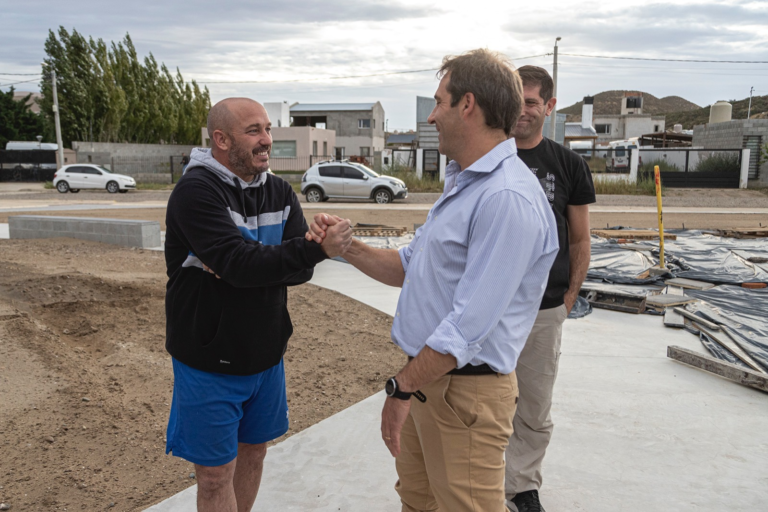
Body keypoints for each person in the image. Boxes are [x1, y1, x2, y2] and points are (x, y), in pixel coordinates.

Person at [307, 50, 559, 512]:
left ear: (467, 104)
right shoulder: (465, 183)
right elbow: (411, 266)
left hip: (464, 395)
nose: (430, 115)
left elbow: (467, 326)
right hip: (432, 381)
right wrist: (347, 246)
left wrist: (401, 387)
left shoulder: (506, 198)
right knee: (417, 502)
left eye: (439, 102)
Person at [164, 97, 352, 512]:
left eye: (267, 129)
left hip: (266, 355)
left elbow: (296, 271)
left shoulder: (280, 191)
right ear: (221, 139)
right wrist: (291, 254)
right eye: (254, 131)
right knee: (214, 477)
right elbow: (241, 263)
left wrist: (256, 262)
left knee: (255, 453)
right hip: (208, 358)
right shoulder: (196, 193)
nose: (267, 140)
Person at [504, 66, 596, 512]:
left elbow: (579, 238)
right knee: (482, 400)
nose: (522, 110)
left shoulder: (568, 164)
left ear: (550, 107)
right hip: (490, 309)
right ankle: (481, 482)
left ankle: (521, 487)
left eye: (531, 102)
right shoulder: (487, 156)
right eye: (515, 99)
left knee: (534, 407)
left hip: (543, 310)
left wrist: (570, 296)